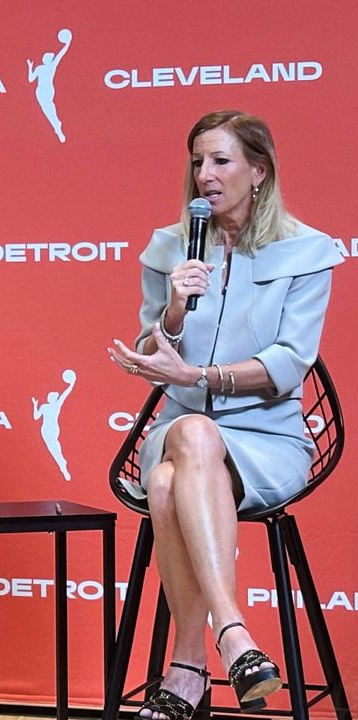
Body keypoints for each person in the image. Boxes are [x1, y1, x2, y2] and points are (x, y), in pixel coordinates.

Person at [108, 110, 342, 720]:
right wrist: (176, 312)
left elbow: (291, 362)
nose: (204, 175)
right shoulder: (170, 246)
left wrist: (199, 379)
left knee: (167, 478)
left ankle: (188, 665)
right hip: (182, 428)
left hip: (267, 437)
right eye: (196, 162)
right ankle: (235, 635)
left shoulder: (307, 250)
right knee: (187, 438)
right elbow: (156, 345)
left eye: (220, 161)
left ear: (258, 171)